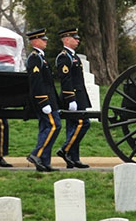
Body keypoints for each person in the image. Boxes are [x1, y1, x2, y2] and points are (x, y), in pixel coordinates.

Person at [25, 28, 61, 172]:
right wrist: (43, 102)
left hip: (49, 99)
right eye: (42, 39)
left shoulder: (41, 57)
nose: (46, 41)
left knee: (46, 128)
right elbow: (36, 83)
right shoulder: (35, 58)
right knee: (54, 126)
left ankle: (44, 162)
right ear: (35, 41)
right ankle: (36, 154)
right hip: (44, 100)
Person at [55, 27, 91, 169]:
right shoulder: (64, 57)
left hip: (79, 96)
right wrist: (70, 99)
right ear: (67, 40)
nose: (78, 40)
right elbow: (66, 80)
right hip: (72, 97)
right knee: (83, 124)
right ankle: (65, 150)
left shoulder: (73, 56)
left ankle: (73, 158)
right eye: (75, 38)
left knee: (74, 127)